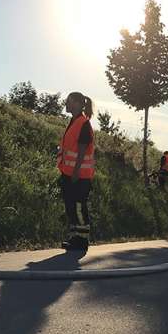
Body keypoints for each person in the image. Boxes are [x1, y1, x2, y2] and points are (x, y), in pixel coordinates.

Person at [57, 91, 95, 251]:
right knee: (70, 206)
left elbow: (82, 150)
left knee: (79, 207)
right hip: (69, 173)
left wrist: (75, 172)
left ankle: (82, 240)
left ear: (78, 104)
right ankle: (74, 238)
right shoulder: (74, 121)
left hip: (79, 176)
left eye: (69, 101)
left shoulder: (83, 123)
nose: (66, 104)